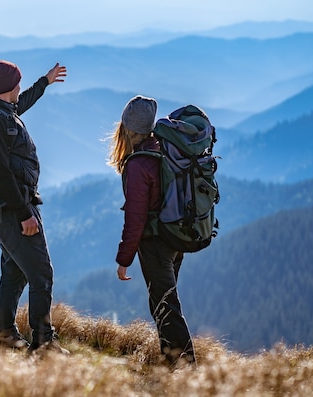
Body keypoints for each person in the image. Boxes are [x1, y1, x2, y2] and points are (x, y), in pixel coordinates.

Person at [0, 60, 69, 354]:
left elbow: (20, 103)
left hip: (8, 208)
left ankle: (4, 335)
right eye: (16, 83)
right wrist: (25, 213)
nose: (18, 87)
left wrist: (45, 82)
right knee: (42, 275)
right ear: (7, 87)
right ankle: (43, 344)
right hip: (14, 209)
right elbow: (1, 174)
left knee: (14, 271)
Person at [108, 95, 196, 367]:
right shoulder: (166, 150)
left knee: (165, 306)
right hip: (176, 237)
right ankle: (171, 364)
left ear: (127, 128)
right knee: (164, 301)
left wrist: (124, 258)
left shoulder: (138, 164)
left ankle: (186, 370)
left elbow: (136, 218)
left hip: (156, 243)